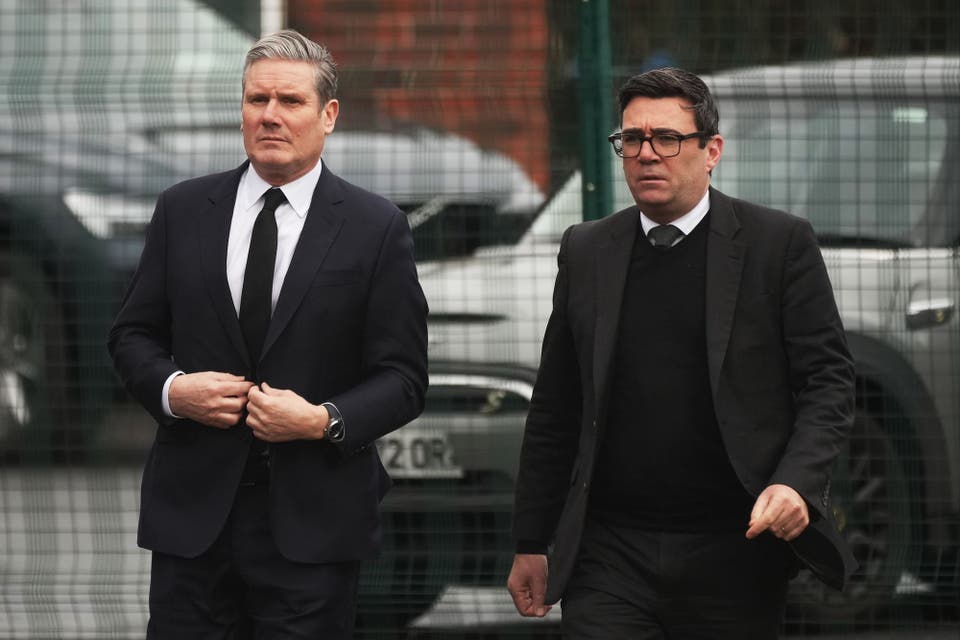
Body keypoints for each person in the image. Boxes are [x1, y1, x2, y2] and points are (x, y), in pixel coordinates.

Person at [507, 67, 857, 638]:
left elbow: (827, 382)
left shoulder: (778, 245)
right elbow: (556, 406)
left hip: (735, 547)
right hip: (609, 552)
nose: (647, 154)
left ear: (711, 149)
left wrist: (795, 482)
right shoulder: (588, 250)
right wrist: (530, 541)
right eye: (632, 140)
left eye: (667, 139)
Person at [108, 29, 428, 638]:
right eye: (258, 101)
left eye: (290, 101)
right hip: (193, 521)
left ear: (328, 115)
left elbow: (404, 379)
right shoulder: (182, 209)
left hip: (313, 524)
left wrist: (322, 419)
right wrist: (176, 391)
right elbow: (131, 335)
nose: (271, 116)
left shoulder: (375, 227)